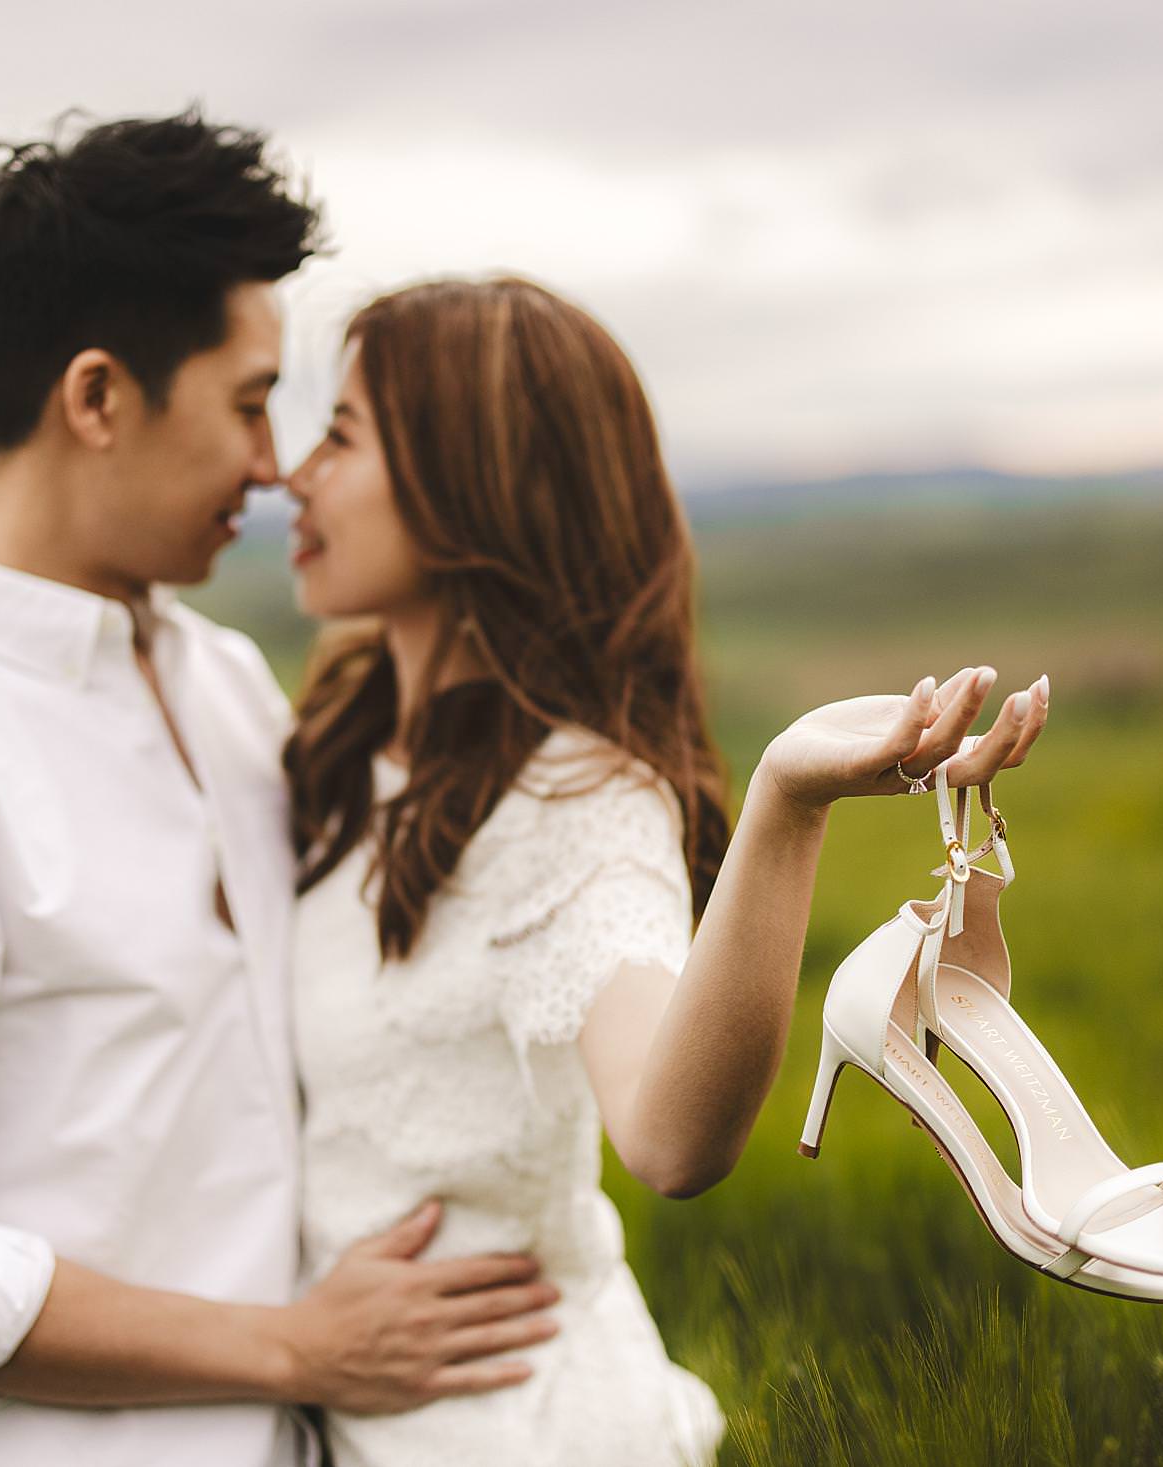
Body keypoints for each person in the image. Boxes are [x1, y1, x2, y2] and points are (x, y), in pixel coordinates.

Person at [0, 113, 560, 1467]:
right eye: (246, 400)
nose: (273, 463)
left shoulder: (225, 682)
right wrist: (295, 1345)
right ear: (97, 398)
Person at [278, 277, 1047, 1465]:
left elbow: (670, 1139)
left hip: (506, 1432)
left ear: (464, 481)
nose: (296, 474)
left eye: (338, 437)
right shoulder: (335, 738)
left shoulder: (567, 801)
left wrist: (786, 806)